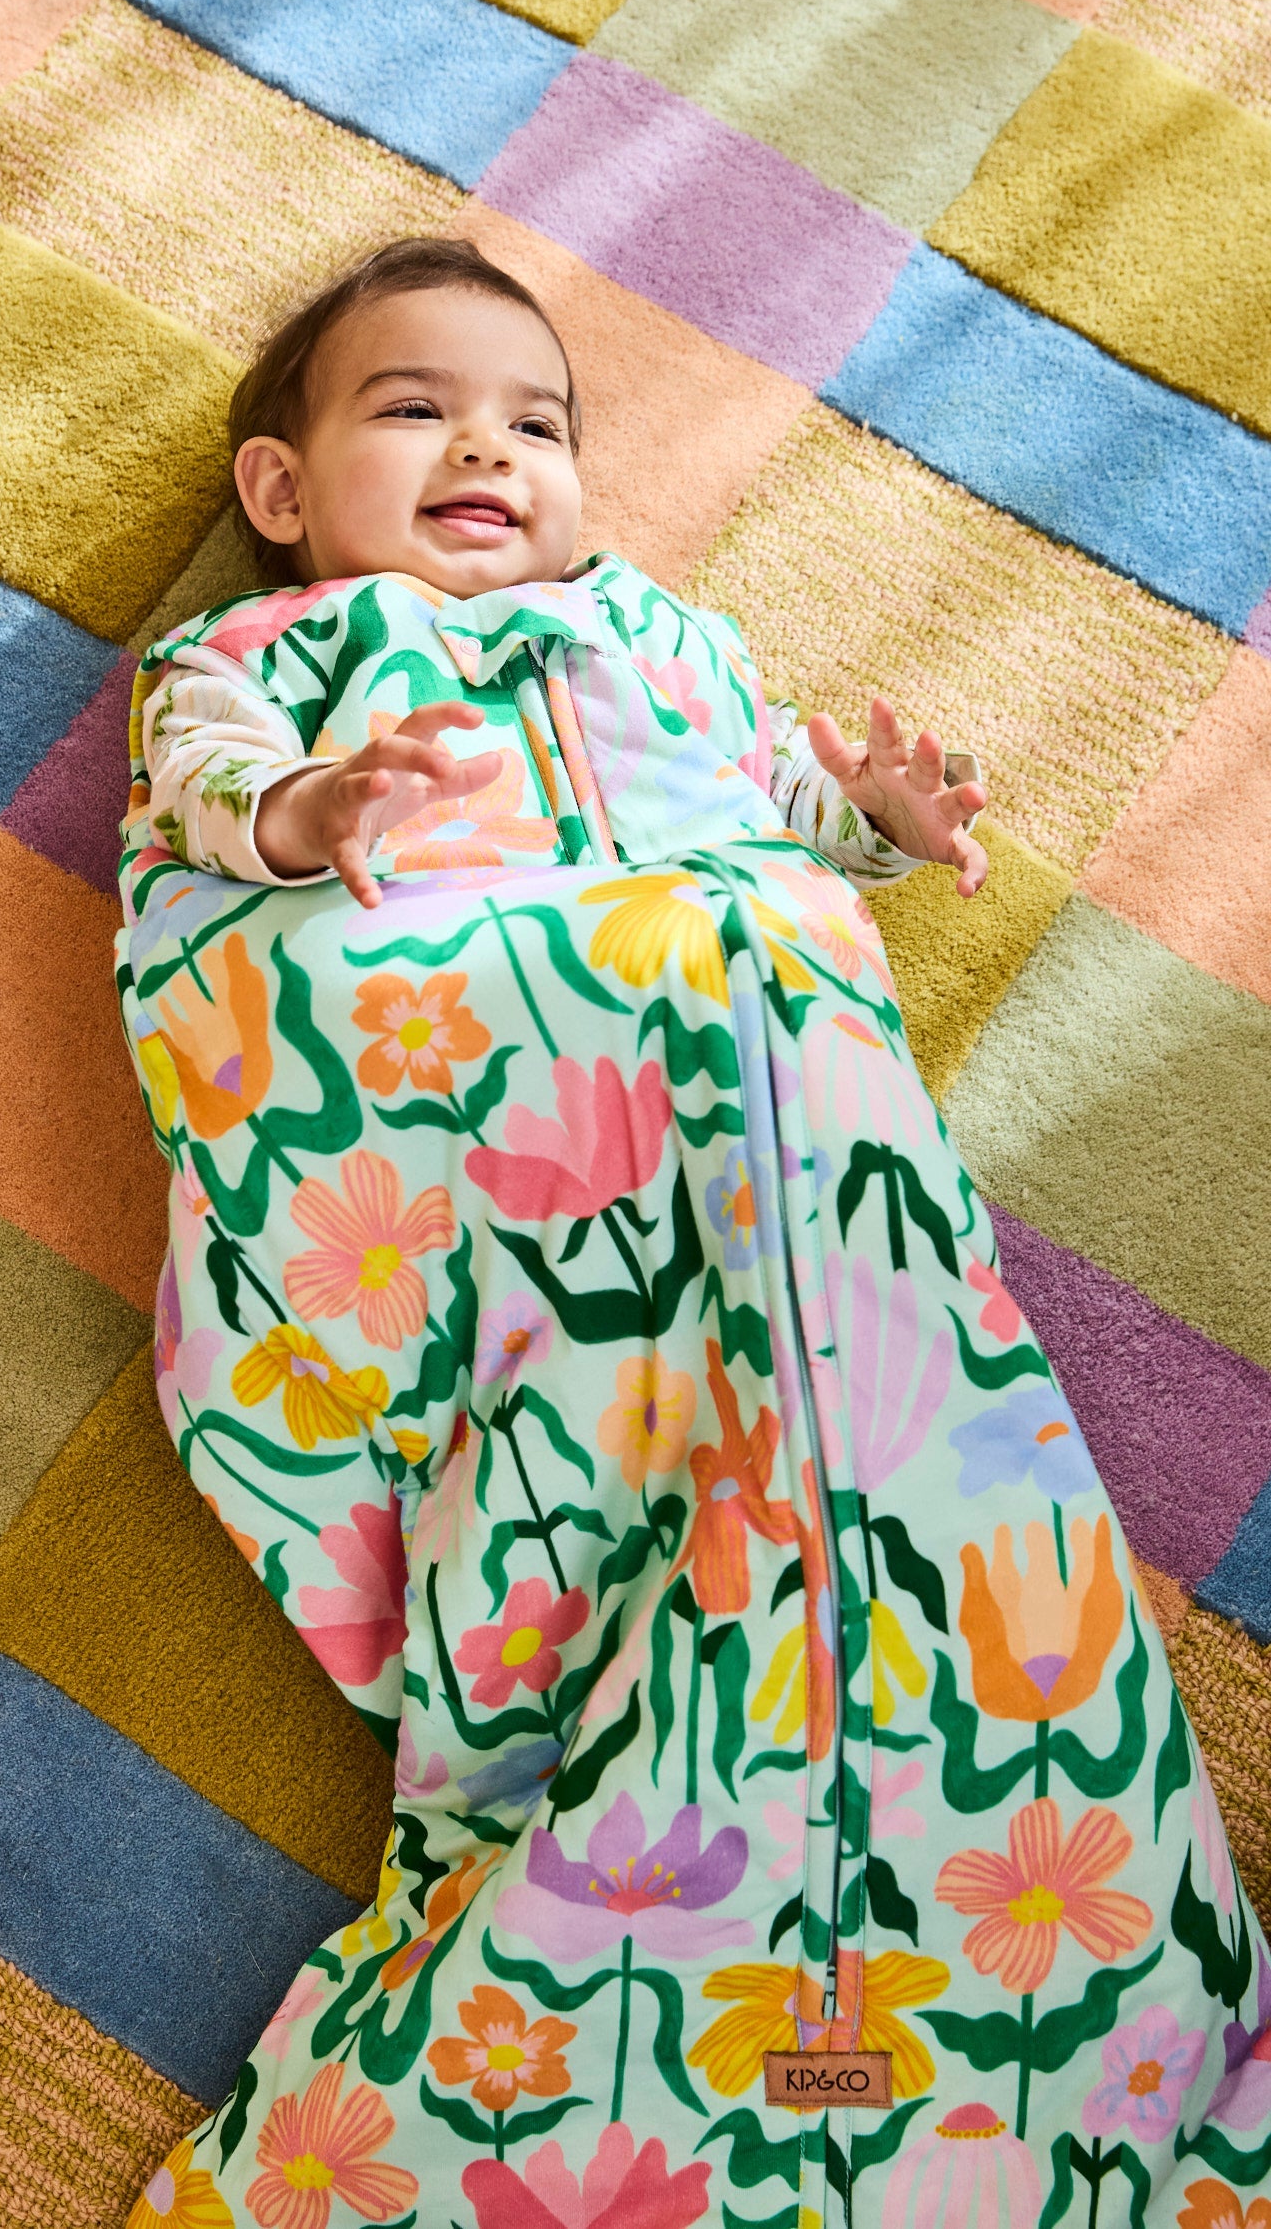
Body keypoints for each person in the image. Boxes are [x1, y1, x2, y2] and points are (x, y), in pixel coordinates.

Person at [118, 239, 1265, 2229]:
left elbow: (762, 815)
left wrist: (872, 821)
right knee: (673, 1515)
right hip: (523, 1127)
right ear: (282, 492)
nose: (492, 443)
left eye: (538, 422)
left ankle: (947, 2040)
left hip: (803, 1170)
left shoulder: (671, 643)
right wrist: (317, 808)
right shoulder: (269, 659)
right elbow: (214, 806)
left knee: (940, 1511)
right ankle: (724, 2018)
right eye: (417, 408)